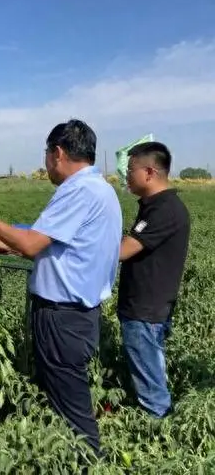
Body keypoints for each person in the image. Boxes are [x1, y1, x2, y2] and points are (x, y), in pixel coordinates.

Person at [0, 119, 122, 456]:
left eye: (46, 155)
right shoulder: (103, 190)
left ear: (58, 153)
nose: (45, 163)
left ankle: (87, 460)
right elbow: (66, 248)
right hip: (80, 315)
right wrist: (5, 246)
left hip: (62, 317)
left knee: (71, 410)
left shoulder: (78, 191)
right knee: (65, 395)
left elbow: (31, 244)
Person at [117, 141, 190, 418]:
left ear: (149, 172)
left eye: (131, 169)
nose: (127, 174)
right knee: (150, 374)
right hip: (147, 308)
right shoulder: (154, 206)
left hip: (146, 311)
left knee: (151, 388)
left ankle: (160, 437)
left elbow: (124, 250)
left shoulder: (164, 209)